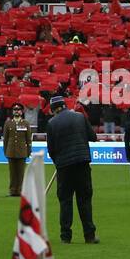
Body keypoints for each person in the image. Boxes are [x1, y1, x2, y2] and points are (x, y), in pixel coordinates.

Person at [44, 95, 98, 244]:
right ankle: (90, 236)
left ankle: (65, 236)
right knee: (85, 200)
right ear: (64, 105)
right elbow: (93, 137)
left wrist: (58, 163)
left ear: (54, 109)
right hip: (82, 163)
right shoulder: (79, 117)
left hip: (64, 167)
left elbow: (51, 150)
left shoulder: (52, 123)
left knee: (65, 201)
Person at [2, 102, 32, 196]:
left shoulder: (26, 123)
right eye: (15, 110)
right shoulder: (8, 123)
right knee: (12, 173)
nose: (16, 111)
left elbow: (28, 139)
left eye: (18, 110)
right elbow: (5, 139)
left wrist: (29, 151)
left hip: (22, 151)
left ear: (22, 112)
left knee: (21, 173)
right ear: (12, 112)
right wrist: (6, 151)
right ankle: (12, 191)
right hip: (11, 151)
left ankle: (20, 190)